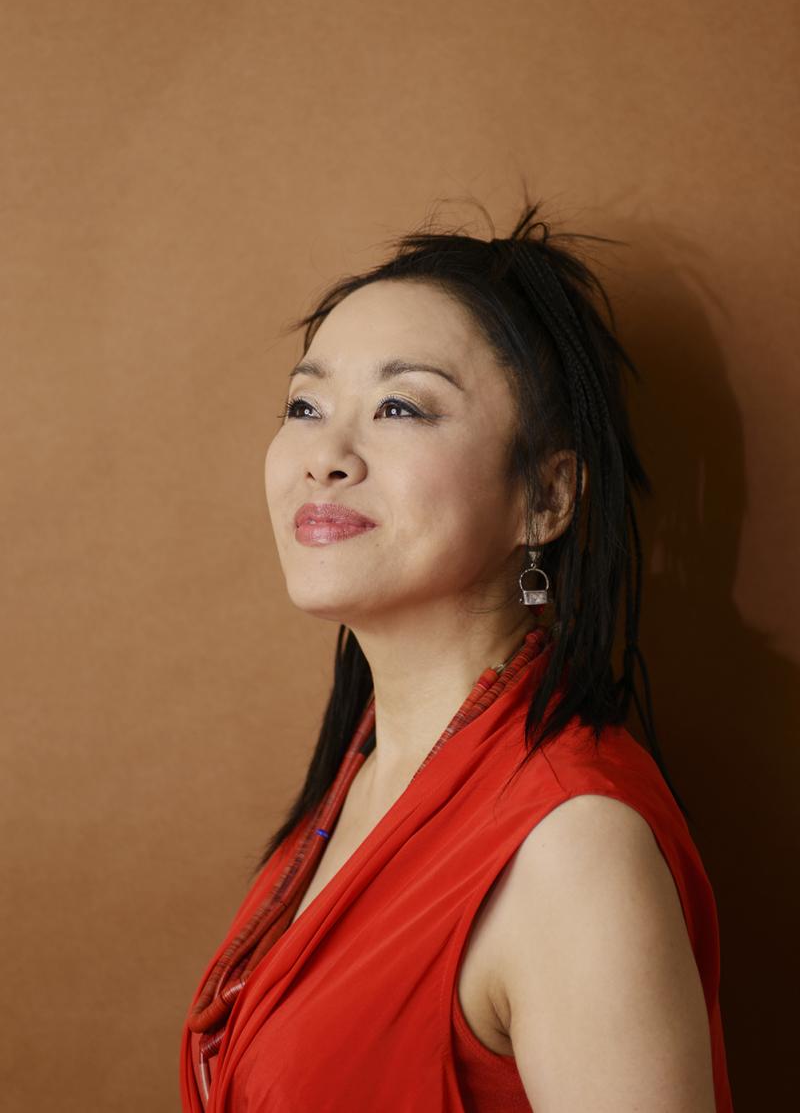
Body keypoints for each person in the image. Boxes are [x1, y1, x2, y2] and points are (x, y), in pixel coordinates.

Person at [179, 200, 733, 1112]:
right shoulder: (366, 766)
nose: (324, 456)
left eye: (400, 406)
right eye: (305, 405)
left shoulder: (573, 849)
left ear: (547, 498)